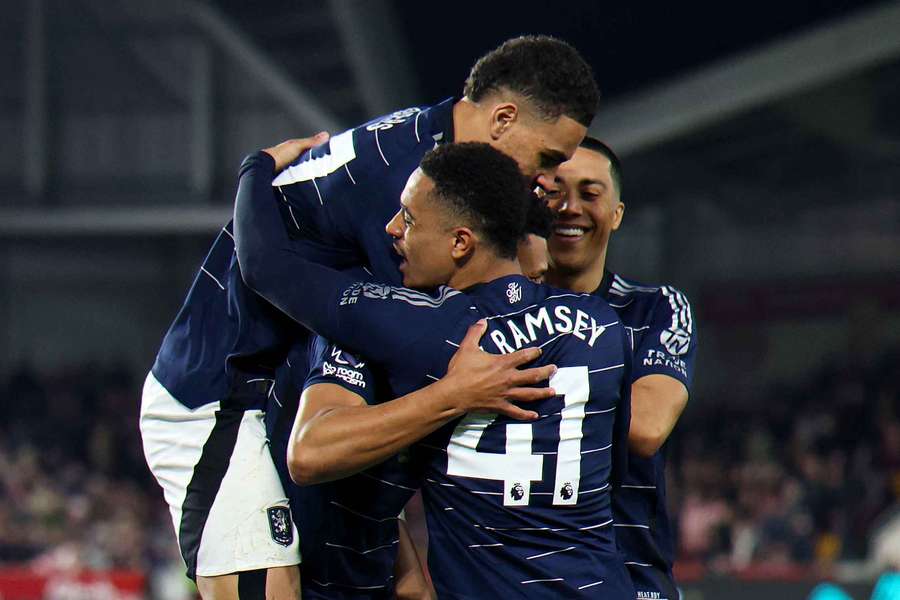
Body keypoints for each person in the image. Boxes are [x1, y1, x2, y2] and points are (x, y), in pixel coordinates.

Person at [139, 35, 599, 599]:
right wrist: (252, 168)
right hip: (220, 393)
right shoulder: (410, 202)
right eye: (547, 157)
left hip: (285, 386)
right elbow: (271, 270)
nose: (545, 179)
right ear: (503, 119)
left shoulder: (427, 157)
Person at [234, 140, 636, 599]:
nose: (392, 229)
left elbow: (266, 266)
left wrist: (256, 164)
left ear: (460, 242)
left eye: (408, 219)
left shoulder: (427, 328)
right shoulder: (607, 328)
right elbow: (612, 476)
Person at [544, 138, 698, 600]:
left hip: (631, 580)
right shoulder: (491, 311)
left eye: (590, 194)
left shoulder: (656, 309)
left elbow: (647, 426)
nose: (570, 207)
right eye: (555, 192)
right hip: (519, 577)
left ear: (616, 213)